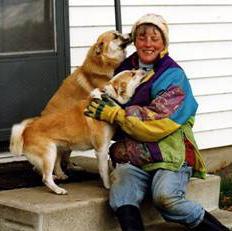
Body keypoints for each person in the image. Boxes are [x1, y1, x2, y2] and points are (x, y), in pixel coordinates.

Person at [85, 13, 229, 231]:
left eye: (155, 38)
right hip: (134, 153)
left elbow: (156, 123)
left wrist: (116, 115)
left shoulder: (172, 75)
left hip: (169, 152)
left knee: (166, 199)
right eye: (142, 38)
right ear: (134, 41)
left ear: (164, 42)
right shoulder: (123, 67)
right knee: (121, 195)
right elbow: (104, 102)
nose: (148, 44)